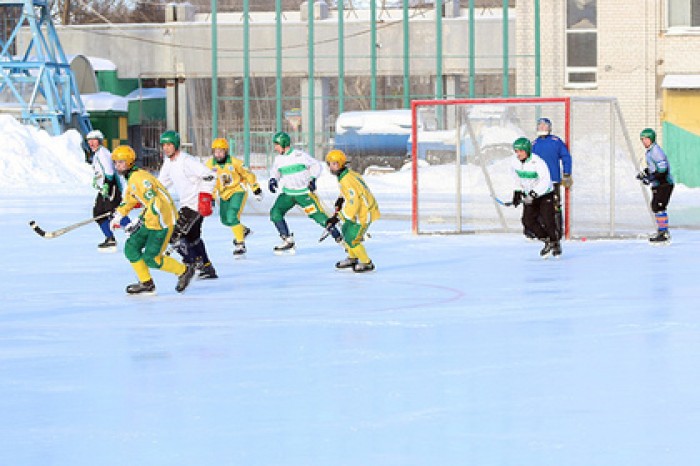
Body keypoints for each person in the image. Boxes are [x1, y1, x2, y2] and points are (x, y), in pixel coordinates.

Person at [109, 145, 196, 294]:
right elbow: (130, 199)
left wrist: (139, 221)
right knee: (131, 247)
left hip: (162, 222)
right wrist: (119, 215)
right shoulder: (132, 178)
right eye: (116, 162)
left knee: (152, 258)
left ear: (130, 162)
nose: (118, 165)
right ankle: (146, 283)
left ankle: (184, 271)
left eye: (121, 162)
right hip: (151, 220)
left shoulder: (140, 179)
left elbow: (156, 202)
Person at [267, 131, 341, 254]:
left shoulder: (299, 155)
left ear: (283, 144)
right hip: (288, 194)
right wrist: (273, 180)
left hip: (304, 194)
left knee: (318, 216)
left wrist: (313, 179)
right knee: (275, 213)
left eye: (277, 144)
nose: (275, 147)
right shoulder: (278, 159)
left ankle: (338, 237)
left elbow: (316, 165)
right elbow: (275, 171)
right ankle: (287, 239)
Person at [158, 130, 218, 278]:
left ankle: (191, 264)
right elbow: (161, 184)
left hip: (195, 205)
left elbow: (210, 176)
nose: (166, 148)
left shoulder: (187, 161)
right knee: (193, 238)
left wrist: (205, 196)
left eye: (169, 145)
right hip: (186, 204)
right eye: (164, 145)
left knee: (174, 236)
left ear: (176, 145)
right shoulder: (168, 163)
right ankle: (206, 267)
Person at [205, 137, 263, 257]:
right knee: (225, 220)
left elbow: (248, 174)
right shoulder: (210, 165)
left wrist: (255, 188)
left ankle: (240, 244)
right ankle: (243, 230)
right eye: (216, 151)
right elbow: (210, 182)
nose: (218, 154)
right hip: (223, 194)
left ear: (226, 151)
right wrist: (210, 197)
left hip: (238, 190)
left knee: (232, 216)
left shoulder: (235, 162)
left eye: (221, 151)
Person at [324, 150, 380, 272]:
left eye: (334, 164)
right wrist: (341, 198)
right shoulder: (345, 175)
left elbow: (354, 202)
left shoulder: (346, 179)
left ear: (340, 164)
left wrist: (338, 217)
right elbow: (351, 191)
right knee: (345, 230)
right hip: (358, 211)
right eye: (329, 163)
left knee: (353, 238)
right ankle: (352, 258)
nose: (330, 167)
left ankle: (367, 262)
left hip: (365, 212)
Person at [510, 137, 561, 258]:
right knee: (527, 221)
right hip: (529, 195)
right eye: (516, 151)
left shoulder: (538, 162)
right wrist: (517, 192)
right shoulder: (514, 162)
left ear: (527, 150)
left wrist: (533, 194)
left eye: (521, 151)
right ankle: (547, 240)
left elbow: (545, 181)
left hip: (544, 194)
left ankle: (555, 242)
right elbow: (516, 178)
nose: (518, 154)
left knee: (548, 220)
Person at [86, 129, 130, 251]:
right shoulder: (97, 154)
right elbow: (100, 172)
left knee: (114, 212)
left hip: (111, 187)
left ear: (99, 141)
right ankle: (110, 238)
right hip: (104, 189)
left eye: (94, 140)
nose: (91, 143)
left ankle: (134, 232)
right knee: (99, 214)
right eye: (89, 141)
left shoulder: (103, 153)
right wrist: (97, 181)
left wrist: (106, 185)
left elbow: (109, 172)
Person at [531, 117, 573, 238]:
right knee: (538, 206)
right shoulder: (534, 144)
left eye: (545, 126)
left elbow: (566, 157)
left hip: (553, 180)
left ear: (550, 128)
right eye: (540, 125)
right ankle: (541, 231)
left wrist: (567, 173)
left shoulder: (556, 141)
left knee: (554, 206)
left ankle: (557, 231)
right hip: (538, 182)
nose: (542, 128)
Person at [637, 128, 674, 244]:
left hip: (664, 183)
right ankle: (662, 231)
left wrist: (651, 178)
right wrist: (646, 173)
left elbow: (663, 170)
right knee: (655, 206)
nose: (644, 142)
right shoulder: (650, 151)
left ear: (652, 139)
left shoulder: (656, 151)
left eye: (646, 139)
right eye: (642, 139)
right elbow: (654, 167)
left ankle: (664, 233)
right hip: (659, 184)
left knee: (659, 206)